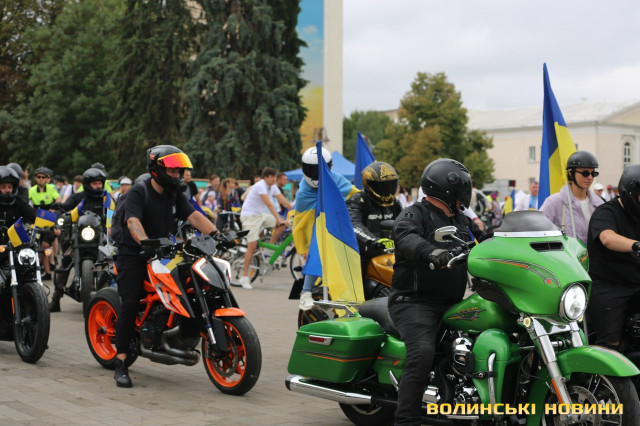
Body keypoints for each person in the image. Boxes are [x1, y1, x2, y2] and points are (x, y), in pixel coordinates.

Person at [113, 145, 220, 388]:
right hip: (134, 253)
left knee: (192, 281)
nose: (177, 174)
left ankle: (181, 329)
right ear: (157, 169)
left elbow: (193, 215)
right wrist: (145, 242)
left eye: (179, 170)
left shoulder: (174, 193)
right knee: (130, 302)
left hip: (164, 252)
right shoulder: (139, 191)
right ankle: (121, 361)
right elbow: (133, 221)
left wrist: (217, 234)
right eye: (172, 170)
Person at [389, 158, 485, 425]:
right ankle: (406, 421)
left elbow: (485, 239)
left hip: (452, 303)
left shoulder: (461, 219)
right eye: (464, 187)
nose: (466, 193)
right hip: (414, 302)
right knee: (422, 355)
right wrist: (432, 252)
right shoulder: (414, 214)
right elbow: (406, 236)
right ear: (449, 188)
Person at [294, 147, 356, 310]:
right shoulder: (303, 194)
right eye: (311, 170)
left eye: (319, 170)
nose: (315, 174)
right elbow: (301, 223)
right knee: (316, 251)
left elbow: (355, 196)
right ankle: (305, 291)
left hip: (338, 228)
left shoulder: (339, 181)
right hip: (318, 232)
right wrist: (304, 247)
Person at [586, 164, 640, 349]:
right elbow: (607, 238)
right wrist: (636, 245)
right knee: (610, 344)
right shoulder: (606, 212)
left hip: (635, 282)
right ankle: (607, 363)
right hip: (609, 286)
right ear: (630, 193)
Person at [49, 167, 108, 312]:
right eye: (95, 183)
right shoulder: (79, 197)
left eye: (100, 183)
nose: (98, 186)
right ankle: (56, 298)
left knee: (113, 262)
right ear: (88, 184)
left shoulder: (106, 199)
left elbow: (116, 211)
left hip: (100, 240)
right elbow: (66, 207)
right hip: (80, 239)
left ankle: (111, 298)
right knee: (65, 263)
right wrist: (59, 208)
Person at [237, 167, 293, 289]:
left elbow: (284, 201)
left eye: (275, 177)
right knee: (252, 246)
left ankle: (269, 249)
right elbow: (269, 204)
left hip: (260, 216)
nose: (274, 179)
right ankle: (244, 277)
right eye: (271, 177)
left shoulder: (272, 187)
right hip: (249, 217)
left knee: (282, 224)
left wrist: (293, 209)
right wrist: (278, 218)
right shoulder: (260, 186)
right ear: (266, 178)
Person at [347, 161, 403, 271]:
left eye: (390, 185)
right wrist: (374, 241)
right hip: (361, 258)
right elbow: (353, 225)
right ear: (369, 185)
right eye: (383, 186)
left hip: (389, 256)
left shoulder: (395, 204)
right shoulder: (358, 201)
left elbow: (405, 225)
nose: (387, 191)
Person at [540, 151, 603, 245]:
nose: (590, 177)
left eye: (593, 173)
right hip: (564, 254)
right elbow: (539, 233)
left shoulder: (600, 204)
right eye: (585, 173)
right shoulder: (553, 202)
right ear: (570, 173)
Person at [28, 167, 60, 279]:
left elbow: (59, 200)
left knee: (46, 246)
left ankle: (44, 267)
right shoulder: (32, 190)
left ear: (46, 178)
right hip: (37, 219)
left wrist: (54, 208)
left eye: (43, 177)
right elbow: (25, 202)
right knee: (36, 245)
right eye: (39, 177)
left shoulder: (51, 188)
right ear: (35, 178)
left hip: (49, 219)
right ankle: (47, 271)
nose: (41, 179)